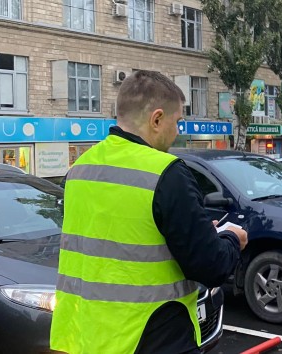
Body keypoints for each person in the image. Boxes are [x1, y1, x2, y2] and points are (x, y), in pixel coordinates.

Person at [50, 70, 248, 354]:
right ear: (156, 119)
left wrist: (197, 231)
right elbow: (211, 265)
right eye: (177, 121)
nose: (179, 130)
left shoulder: (80, 168)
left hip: (87, 337)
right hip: (151, 336)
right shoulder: (167, 172)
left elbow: (120, 237)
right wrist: (230, 239)